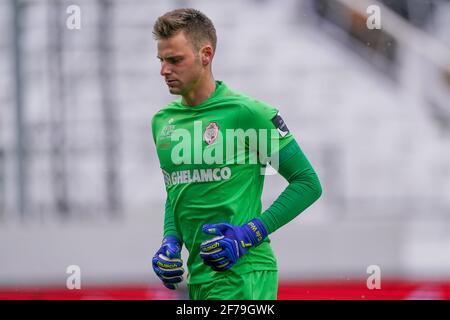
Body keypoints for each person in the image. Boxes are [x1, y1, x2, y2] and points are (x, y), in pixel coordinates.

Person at [151, 8, 322, 300]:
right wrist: (171, 239)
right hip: (200, 279)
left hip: (245, 274)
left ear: (206, 55)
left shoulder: (247, 113)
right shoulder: (162, 121)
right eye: (161, 60)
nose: (164, 70)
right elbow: (176, 189)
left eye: (175, 60)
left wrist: (248, 235)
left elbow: (307, 183)